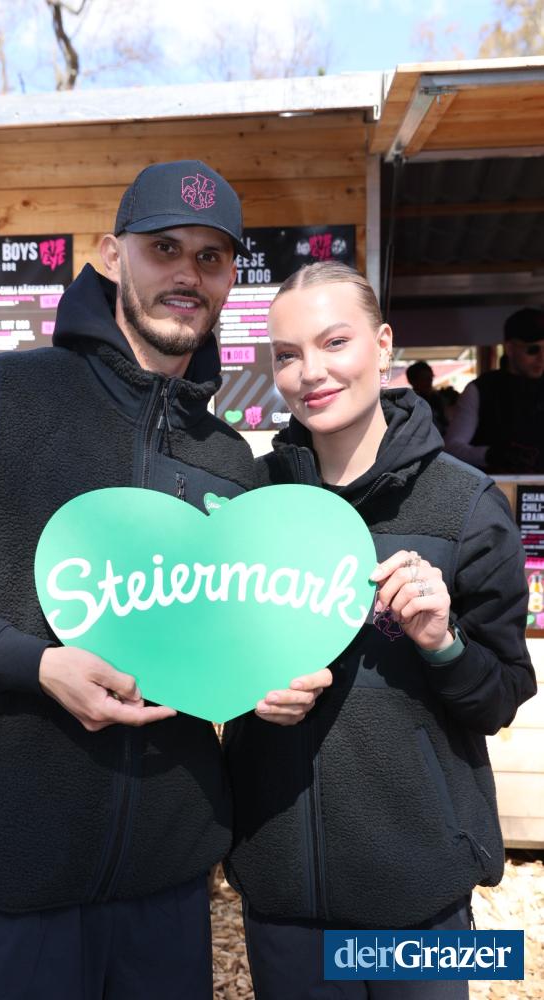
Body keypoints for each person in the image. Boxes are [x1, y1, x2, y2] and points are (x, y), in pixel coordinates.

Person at [0, 159, 280, 1000]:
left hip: (165, 885)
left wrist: (267, 680)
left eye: (210, 257)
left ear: (227, 280)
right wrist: (33, 665)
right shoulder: (0, 398)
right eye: (163, 247)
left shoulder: (229, 460)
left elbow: (225, 649)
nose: (187, 273)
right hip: (4, 870)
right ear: (110, 254)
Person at [222, 262, 537, 1000]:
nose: (311, 372)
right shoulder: (250, 502)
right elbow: (215, 658)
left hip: (420, 892)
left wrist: (443, 643)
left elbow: (501, 696)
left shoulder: (465, 506)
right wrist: (246, 694)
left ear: (384, 343)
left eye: (335, 342)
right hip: (283, 886)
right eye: (287, 355)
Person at [445, 307, 544, 474]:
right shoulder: (481, 389)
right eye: (532, 350)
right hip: (497, 486)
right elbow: (451, 449)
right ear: (510, 349)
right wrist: (490, 454)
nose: (542, 358)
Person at [405, 359, 448, 434]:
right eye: (424, 379)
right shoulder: (409, 403)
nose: (429, 382)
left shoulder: (437, 399)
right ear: (413, 381)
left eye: (430, 378)